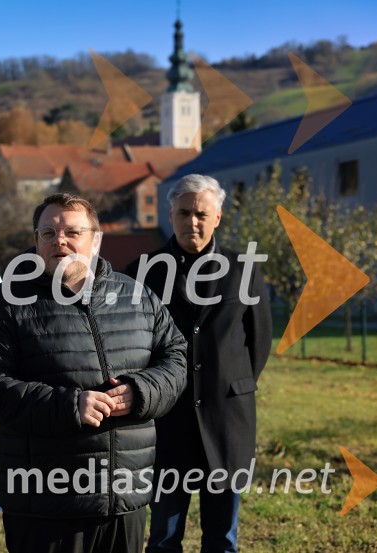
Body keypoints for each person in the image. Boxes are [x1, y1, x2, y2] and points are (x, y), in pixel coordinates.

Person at [0, 193, 188, 553]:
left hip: (125, 498)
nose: (60, 241)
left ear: (96, 240)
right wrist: (70, 406)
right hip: (44, 505)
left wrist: (141, 391)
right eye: (48, 233)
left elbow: (176, 358)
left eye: (72, 232)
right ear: (36, 241)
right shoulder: (5, 305)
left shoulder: (139, 296)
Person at [124, 174, 272, 553]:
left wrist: (227, 382)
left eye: (202, 214)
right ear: (170, 215)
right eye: (184, 213)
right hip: (166, 423)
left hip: (227, 421)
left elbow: (258, 342)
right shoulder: (142, 272)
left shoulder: (243, 269)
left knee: (222, 539)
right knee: (163, 538)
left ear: (217, 217)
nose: (193, 221)